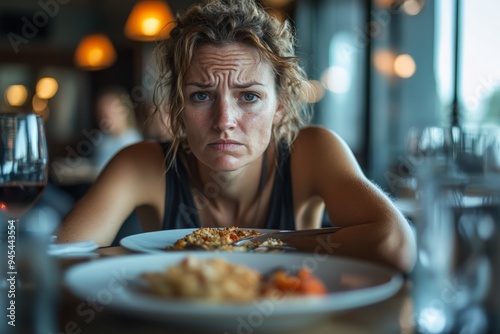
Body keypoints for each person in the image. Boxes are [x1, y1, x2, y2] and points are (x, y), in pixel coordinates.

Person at [56, 0, 415, 272]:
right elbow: (59, 257)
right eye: (201, 95)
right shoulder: (142, 164)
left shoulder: (312, 150)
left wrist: (247, 243)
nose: (224, 120)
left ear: (281, 107)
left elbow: (396, 244)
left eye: (249, 96)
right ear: (178, 107)